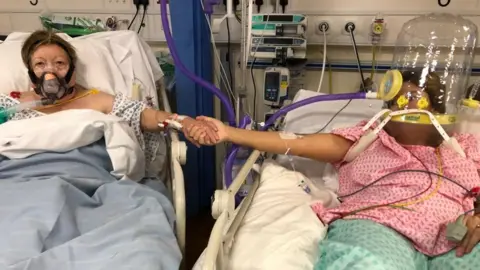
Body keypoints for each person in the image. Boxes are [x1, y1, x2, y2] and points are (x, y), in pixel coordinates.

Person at [187, 70, 480, 269]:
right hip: (380, 226)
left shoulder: (463, 147)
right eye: (399, 100)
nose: (408, 107)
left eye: (417, 99)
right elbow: (294, 142)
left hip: (459, 234)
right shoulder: (366, 140)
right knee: (367, 263)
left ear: (436, 109)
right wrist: (229, 132)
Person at [0, 30, 218, 178]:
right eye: (40, 64)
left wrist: (185, 122)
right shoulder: (11, 104)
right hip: (22, 179)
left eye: (59, 63)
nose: (51, 72)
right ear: (30, 73)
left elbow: (145, 116)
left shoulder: (96, 100)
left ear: (72, 72)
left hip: (89, 179)